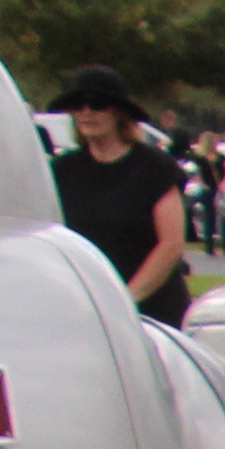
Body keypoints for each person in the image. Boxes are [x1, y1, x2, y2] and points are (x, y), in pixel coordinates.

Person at [50, 64, 188, 326]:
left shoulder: (155, 167)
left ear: (118, 113)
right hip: (87, 312)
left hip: (152, 311)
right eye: (78, 106)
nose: (86, 112)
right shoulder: (62, 170)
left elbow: (171, 245)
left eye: (97, 104)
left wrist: (125, 300)